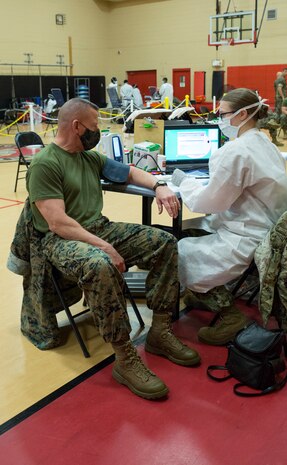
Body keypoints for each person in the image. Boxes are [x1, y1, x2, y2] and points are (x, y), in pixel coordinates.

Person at [26, 97, 200, 400]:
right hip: (62, 241)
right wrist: (106, 246)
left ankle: (160, 331)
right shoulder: (45, 163)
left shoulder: (88, 157)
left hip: (98, 229)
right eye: (94, 128)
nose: (97, 134)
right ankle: (124, 357)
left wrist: (159, 186)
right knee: (100, 264)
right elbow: (57, 223)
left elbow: (131, 172)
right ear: (77, 126)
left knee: (164, 242)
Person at [171, 88, 287, 346]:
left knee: (177, 251)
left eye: (223, 113)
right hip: (270, 231)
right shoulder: (265, 143)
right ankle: (203, 292)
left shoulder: (235, 152)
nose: (219, 118)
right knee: (196, 230)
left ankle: (229, 316)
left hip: (248, 237)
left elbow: (209, 202)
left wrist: (185, 182)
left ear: (243, 114)